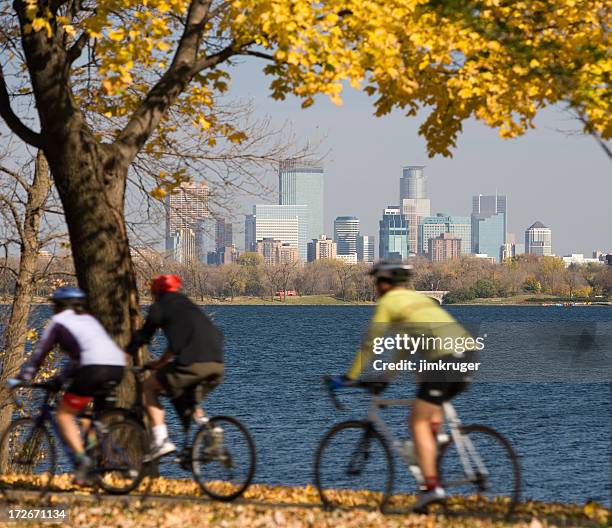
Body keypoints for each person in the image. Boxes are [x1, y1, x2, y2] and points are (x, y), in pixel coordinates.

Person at [327, 262, 474, 511]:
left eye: (376, 283)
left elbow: (370, 343)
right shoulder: (416, 300)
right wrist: (386, 376)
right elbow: (404, 348)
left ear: (384, 284)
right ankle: (436, 439)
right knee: (426, 393)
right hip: (467, 355)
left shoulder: (389, 303)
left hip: (446, 358)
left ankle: (432, 487)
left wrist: (349, 376)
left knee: (416, 421)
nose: (375, 288)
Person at [13, 286, 126, 485]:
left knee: (63, 414)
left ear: (59, 306)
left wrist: (24, 377)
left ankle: (83, 463)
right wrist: (60, 378)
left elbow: (40, 354)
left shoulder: (58, 322)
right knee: (85, 415)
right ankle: (97, 453)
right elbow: (80, 356)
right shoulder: (89, 319)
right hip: (116, 367)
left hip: (93, 368)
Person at [127, 274, 224, 460]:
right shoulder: (188, 306)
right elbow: (177, 344)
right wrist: (160, 363)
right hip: (216, 364)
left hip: (193, 364)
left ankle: (162, 441)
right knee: (188, 399)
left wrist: (123, 355)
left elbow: (144, 336)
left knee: (148, 387)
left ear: (156, 292)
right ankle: (210, 428)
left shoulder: (160, 307)